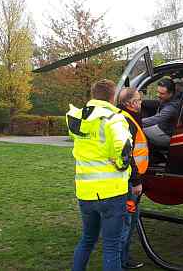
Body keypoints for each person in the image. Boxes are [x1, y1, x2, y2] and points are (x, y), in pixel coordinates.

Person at [66, 79, 133, 271]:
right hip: (112, 192)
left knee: (87, 239)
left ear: (93, 95)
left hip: (85, 191)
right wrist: (121, 165)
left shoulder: (78, 117)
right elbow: (124, 150)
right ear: (113, 97)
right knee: (111, 246)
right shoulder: (114, 118)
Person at [117, 87, 149, 269]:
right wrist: (136, 181)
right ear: (130, 103)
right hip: (130, 183)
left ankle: (123, 258)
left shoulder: (127, 116)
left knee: (130, 219)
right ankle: (121, 261)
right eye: (138, 100)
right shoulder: (126, 121)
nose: (141, 103)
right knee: (127, 222)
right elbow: (127, 155)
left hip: (130, 179)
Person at [142, 78, 180, 147]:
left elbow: (156, 119)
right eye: (158, 92)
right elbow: (159, 103)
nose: (158, 95)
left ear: (171, 93)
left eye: (161, 93)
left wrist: (136, 121)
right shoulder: (169, 98)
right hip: (163, 126)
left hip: (167, 134)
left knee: (140, 131)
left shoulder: (172, 107)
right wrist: (141, 102)